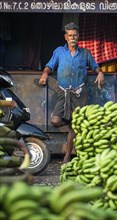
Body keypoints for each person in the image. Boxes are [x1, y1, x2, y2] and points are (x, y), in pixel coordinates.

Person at [39, 22, 104, 163]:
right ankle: (70, 122)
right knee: (55, 121)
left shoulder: (85, 53)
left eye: (75, 35)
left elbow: (95, 66)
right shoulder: (59, 52)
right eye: (70, 35)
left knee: (75, 124)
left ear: (78, 36)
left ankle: (67, 155)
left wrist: (100, 74)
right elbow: (49, 66)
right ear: (65, 37)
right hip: (63, 92)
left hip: (80, 93)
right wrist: (44, 75)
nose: (73, 37)